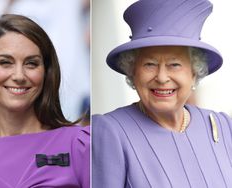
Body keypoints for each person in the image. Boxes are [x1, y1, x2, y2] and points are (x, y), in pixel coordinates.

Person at [92, 0, 232, 187]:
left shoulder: (222, 127)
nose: (162, 77)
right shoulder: (109, 132)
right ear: (133, 71)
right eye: (150, 64)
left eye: (174, 64)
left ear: (194, 72)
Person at [0, 14, 90, 188]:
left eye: (31, 64)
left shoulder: (81, 146)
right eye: (6, 62)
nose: (19, 76)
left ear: (46, 71)